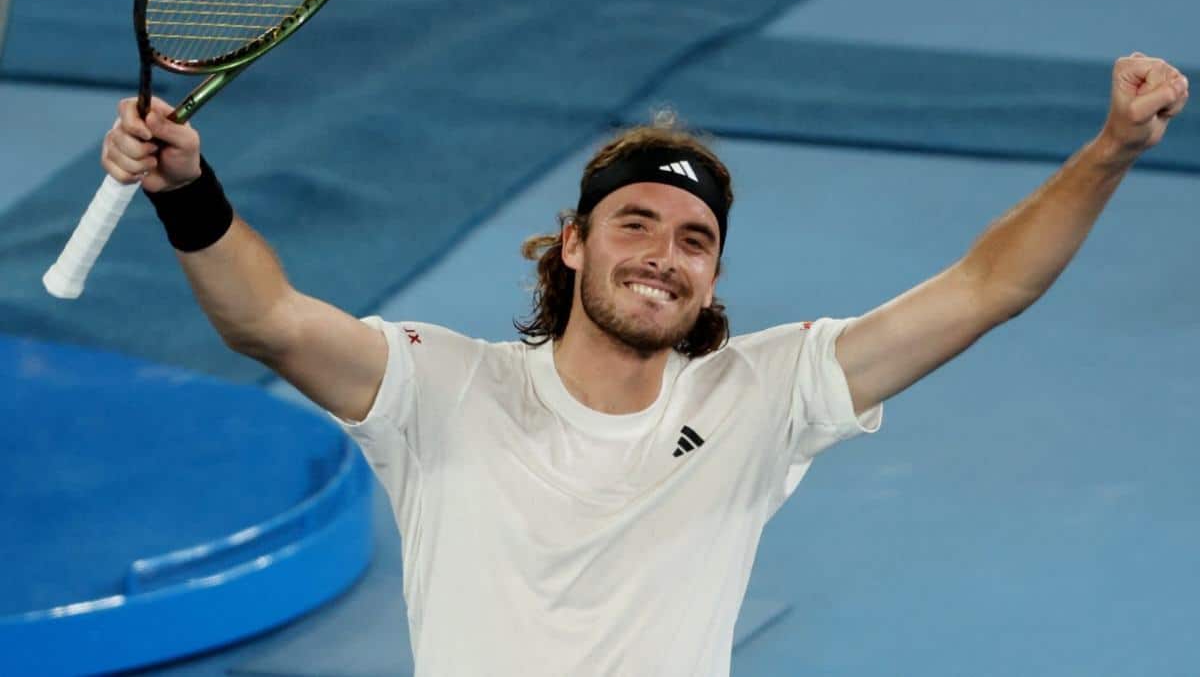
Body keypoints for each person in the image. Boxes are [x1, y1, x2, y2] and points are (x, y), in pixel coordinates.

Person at [101, 53, 1188, 676]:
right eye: (636, 223)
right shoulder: (440, 387)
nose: (664, 255)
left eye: (694, 238)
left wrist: (1108, 152)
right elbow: (269, 321)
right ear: (572, 242)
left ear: (713, 278)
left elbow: (986, 288)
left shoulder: (764, 395)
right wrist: (189, 192)